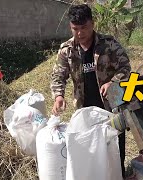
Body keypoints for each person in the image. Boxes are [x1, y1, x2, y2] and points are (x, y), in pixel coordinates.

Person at [50, 4, 131, 178]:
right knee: (90, 150)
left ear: (92, 24)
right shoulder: (67, 50)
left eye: (84, 28)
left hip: (112, 107)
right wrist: (58, 96)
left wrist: (113, 82)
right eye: (75, 29)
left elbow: (125, 68)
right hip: (84, 110)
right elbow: (58, 76)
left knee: (115, 147)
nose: (80, 33)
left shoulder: (108, 44)